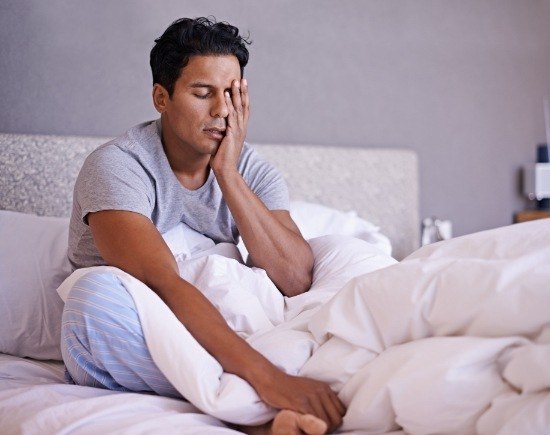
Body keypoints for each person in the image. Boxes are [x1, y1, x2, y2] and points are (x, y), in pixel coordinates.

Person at [61, 17, 345, 434]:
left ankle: (249, 410)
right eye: (202, 93)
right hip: (129, 330)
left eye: (232, 94)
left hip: (224, 332)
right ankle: (256, 416)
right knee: (94, 298)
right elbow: (160, 282)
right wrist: (269, 378)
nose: (221, 110)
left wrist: (228, 174)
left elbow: (295, 277)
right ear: (162, 97)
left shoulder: (252, 171)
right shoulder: (118, 165)